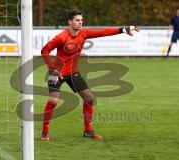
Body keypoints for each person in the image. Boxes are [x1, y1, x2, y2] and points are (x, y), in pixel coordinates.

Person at [40, 9, 139, 141]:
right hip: (57, 73)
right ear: (69, 22)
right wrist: (53, 70)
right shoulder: (61, 37)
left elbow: (103, 32)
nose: (80, 22)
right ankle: (45, 131)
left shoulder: (84, 33)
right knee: (53, 100)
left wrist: (123, 29)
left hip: (73, 73)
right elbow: (44, 51)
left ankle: (88, 131)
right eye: (77, 20)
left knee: (90, 98)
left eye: (81, 20)